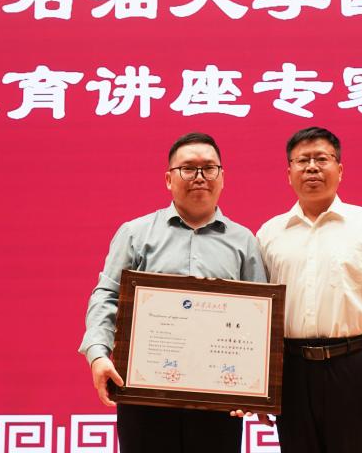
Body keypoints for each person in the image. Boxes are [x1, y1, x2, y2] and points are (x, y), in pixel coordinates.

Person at [78, 132, 267, 453]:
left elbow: (258, 318)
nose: (199, 176)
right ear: (168, 179)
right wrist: (98, 354)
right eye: (188, 168)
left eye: (209, 168)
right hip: (144, 394)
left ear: (222, 177)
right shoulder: (135, 234)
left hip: (218, 397)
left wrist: (255, 386)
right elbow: (106, 296)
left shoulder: (244, 241)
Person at [255, 126, 362, 453]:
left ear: (339, 170)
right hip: (291, 372)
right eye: (302, 161)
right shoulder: (269, 234)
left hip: (353, 367)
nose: (312, 168)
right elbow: (259, 316)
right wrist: (259, 386)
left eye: (321, 159)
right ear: (289, 173)